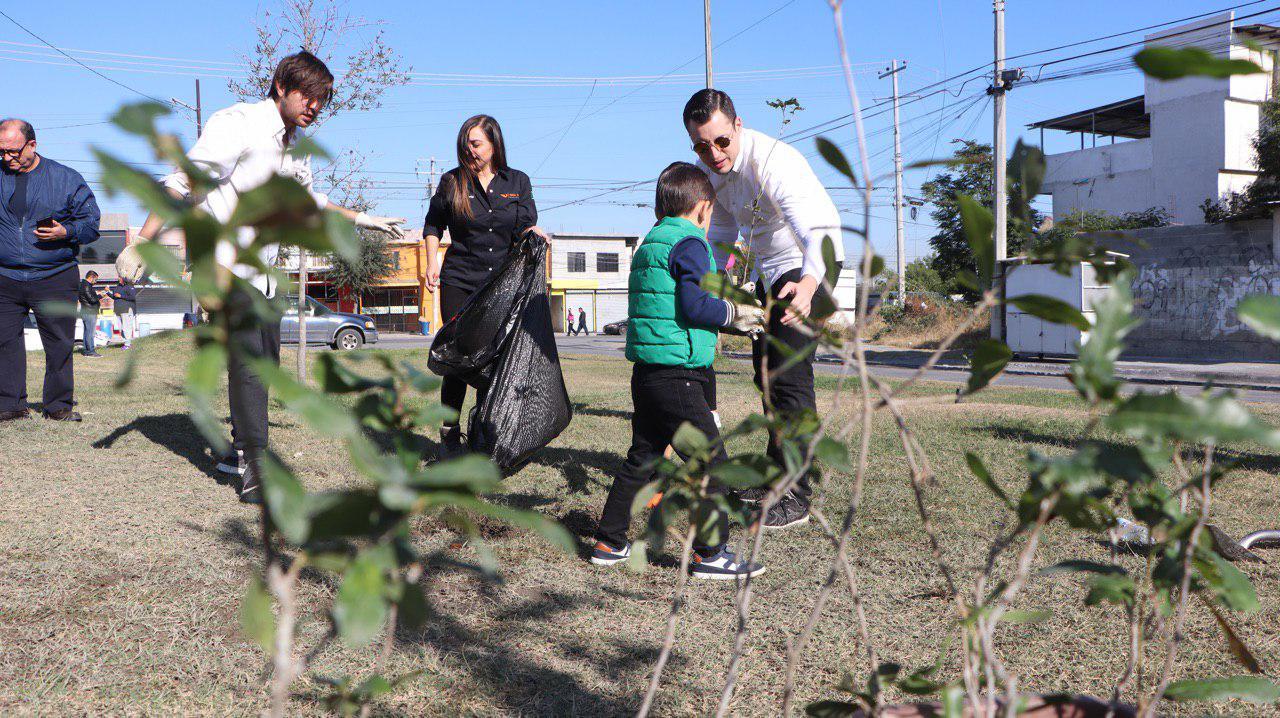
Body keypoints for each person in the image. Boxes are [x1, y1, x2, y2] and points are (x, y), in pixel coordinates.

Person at [122, 51, 406, 502]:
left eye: (323, 100)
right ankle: (256, 465)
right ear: (280, 87)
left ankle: (238, 449)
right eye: (308, 95)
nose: (315, 105)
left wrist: (362, 217)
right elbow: (186, 182)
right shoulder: (238, 123)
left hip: (266, 276)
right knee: (251, 363)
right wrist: (144, 239)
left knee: (262, 366)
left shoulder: (294, 145)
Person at [592, 161, 765, 579]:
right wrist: (734, 313)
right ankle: (710, 555)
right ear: (703, 208)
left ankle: (608, 541)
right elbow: (694, 306)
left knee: (643, 459)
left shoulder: (652, 242)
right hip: (678, 374)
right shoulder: (690, 243)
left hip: (649, 373)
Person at [684, 88, 844, 530]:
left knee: (790, 380)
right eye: (700, 145)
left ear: (738, 126)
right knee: (768, 378)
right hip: (771, 272)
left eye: (720, 141)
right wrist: (711, 287)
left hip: (814, 262)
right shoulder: (710, 170)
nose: (712, 153)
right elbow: (721, 229)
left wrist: (810, 286)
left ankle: (797, 493)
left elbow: (818, 232)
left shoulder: (774, 162)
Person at [423, 114, 549, 458]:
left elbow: (525, 225)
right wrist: (432, 261)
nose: (470, 150)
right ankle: (449, 433)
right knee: (459, 356)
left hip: (499, 286)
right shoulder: (452, 182)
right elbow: (433, 225)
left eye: (476, 143)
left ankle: (483, 433)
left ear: (494, 145)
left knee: (490, 359)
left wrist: (533, 234)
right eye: (466, 144)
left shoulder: (517, 181)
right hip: (459, 280)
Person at [0, 118, 101, 423]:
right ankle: (10, 405)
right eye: (1, 152)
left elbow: (91, 223)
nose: (7, 158)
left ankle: (57, 406)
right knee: (4, 343)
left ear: (32, 145)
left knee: (59, 345)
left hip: (54, 275)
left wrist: (66, 232)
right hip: (5, 276)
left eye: (13, 152)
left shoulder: (66, 178)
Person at [78, 269, 105, 358]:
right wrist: (101, 295)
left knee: (86, 332)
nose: (96, 281)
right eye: (96, 279)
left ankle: (86, 351)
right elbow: (92, 300)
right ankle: (91, 351)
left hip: (86, 311)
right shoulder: (86, 286)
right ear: (91, 277)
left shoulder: (84, 285)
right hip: (89, 312)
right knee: (90, 332)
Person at [107, 278, 139, 349]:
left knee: (126, 327)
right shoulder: (117, 286)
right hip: (118, 310)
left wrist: (121, 296)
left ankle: (128, 344)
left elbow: (133, 297)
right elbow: (115, 297)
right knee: (121, 328)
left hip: (127, 310)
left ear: (123, 278)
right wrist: (108, 292)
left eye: (119, 277)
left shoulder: (129, 286)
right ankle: (126, 342)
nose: (118, 278)